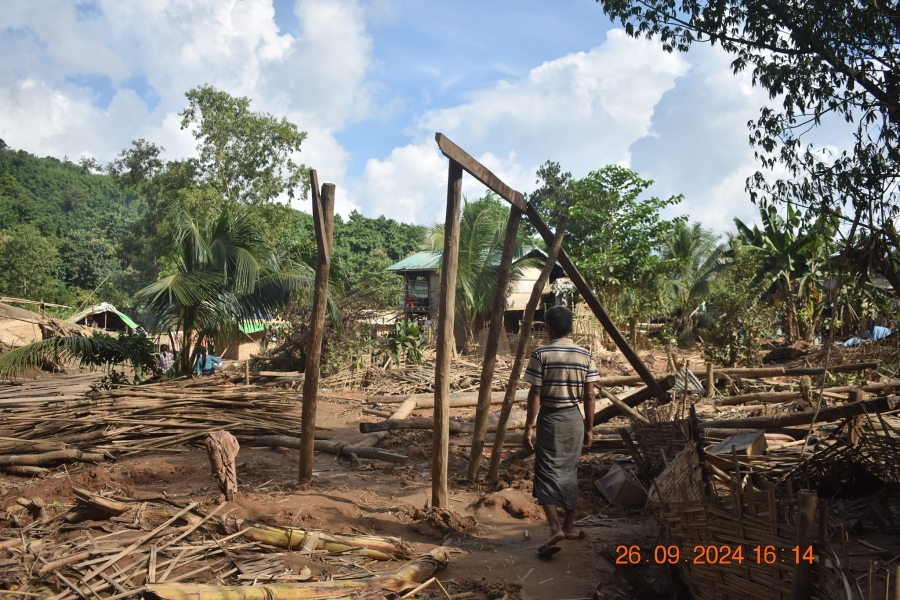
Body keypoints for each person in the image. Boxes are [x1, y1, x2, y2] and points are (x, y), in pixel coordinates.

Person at [522, 305, 599, 558]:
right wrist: (589, 427)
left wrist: (529, 427)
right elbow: (589, 394)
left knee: (545, 472)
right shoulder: (585, 355)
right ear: (571, 328)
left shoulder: (541, 353)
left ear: (548, 329)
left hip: (550, 419)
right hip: (574, 420)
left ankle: (555, 527)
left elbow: (535, 392)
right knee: (569, 472)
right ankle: (569, 525)